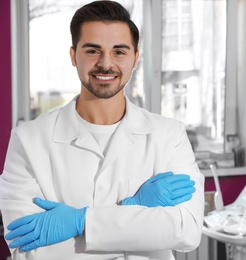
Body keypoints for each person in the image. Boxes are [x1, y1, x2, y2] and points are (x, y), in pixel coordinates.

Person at [0, 1, 205, 259]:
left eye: (119, 52)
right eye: (93, 51)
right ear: (74, 56)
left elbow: (186, 231)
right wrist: (134, 210)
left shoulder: (168, 135)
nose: (106, 64)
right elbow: (26, 249)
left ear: (135, 59)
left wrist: (80, 221)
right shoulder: (28, 140)